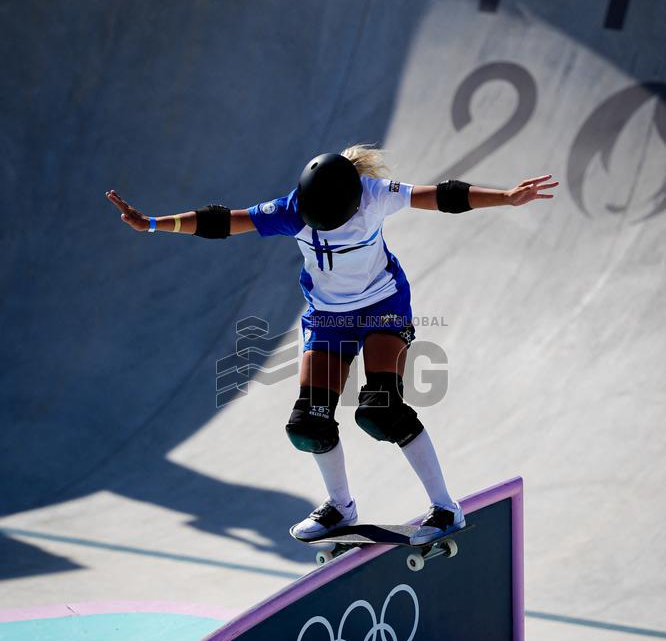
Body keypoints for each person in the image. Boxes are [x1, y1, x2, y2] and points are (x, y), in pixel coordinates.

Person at [107, 146, 557, 545]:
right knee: (308, 424)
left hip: (383, 307)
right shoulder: (291, 208)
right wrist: (150, 224)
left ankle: (445, 508)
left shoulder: (375, 193)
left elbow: (442, 196)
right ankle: (341, 508)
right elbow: (223, 222)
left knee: (382, 410)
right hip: (327, 318)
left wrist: (505, 196)